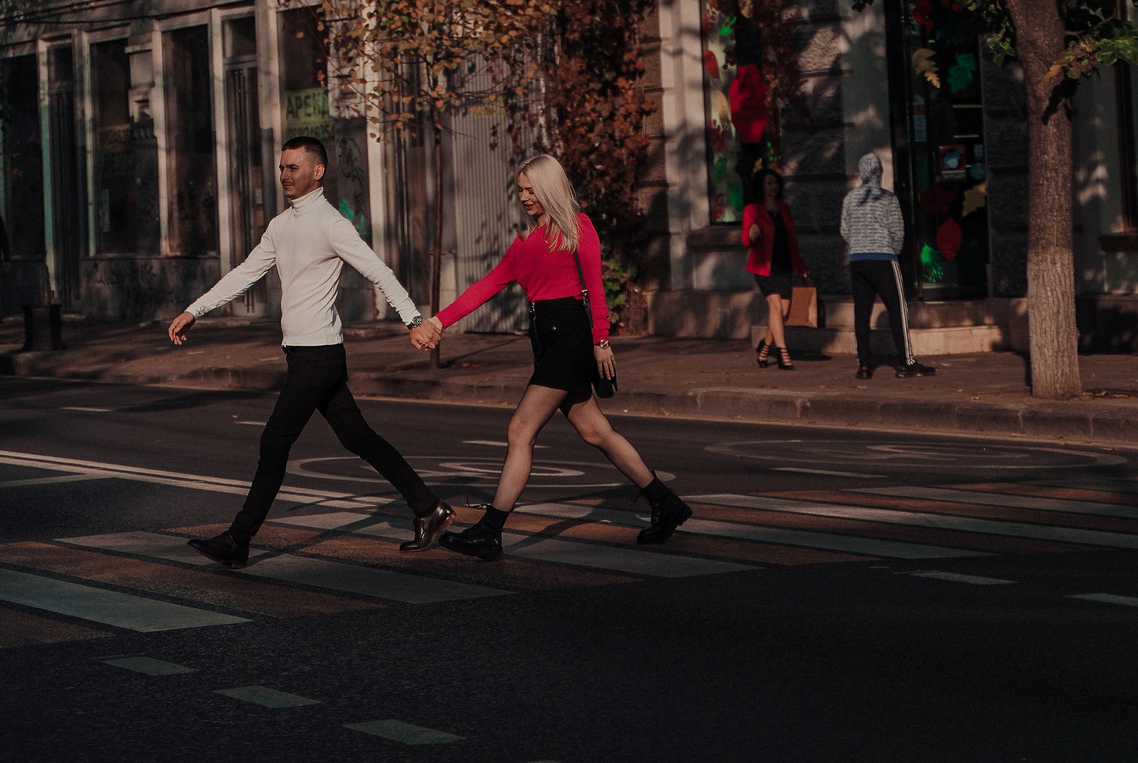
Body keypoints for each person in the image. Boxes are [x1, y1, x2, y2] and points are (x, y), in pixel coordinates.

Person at [171, 135, 451, 570]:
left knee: (274, 442)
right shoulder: (281, 226)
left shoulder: (331, 224)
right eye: (282, 168)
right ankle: (428, 507)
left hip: (319, 355)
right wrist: (195, 310)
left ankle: (238, 540)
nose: (284, 175)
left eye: (293, 167)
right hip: (304, 355)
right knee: (357, 438)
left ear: (317, 172)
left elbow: (379, 270)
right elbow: (246, 272)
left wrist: (413, 320)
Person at [414, 153, 690, 559]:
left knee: (519, 431)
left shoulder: (577, 228)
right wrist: (438, 321)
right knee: (597, 432)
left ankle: (490, 532)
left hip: (571, 337)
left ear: (549, 188)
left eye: (532, 190)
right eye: (520, 190)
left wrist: (601, 340)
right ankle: (666, 503)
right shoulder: (524, 242)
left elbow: (594, 288)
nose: (525, 197)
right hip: (544, 337)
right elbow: (485, 287)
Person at [840, 151, 934, 380]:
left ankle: (864, 364)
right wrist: (893, 251)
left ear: (862, 173)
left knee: (861, 313)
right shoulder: (888, 198)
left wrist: (859, 243)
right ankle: (906, 362)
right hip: (883, 258)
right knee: (897, 309)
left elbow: (844, 231)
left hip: (858, 260)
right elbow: (898, 233)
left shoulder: (850, 199)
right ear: (879, 173)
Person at [741, 169, 806, 369]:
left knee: (783, 312)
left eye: (776, 183)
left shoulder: (784, 209)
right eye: (769, 183)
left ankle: (764, 348)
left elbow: (791, 241)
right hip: (763, 266)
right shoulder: (752, 209)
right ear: (761, 186)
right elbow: (745, 240)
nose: (773, 187)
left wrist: (801, 267)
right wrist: (752, 232)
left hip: (783, 264)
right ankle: (783, 355)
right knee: (776, 307)